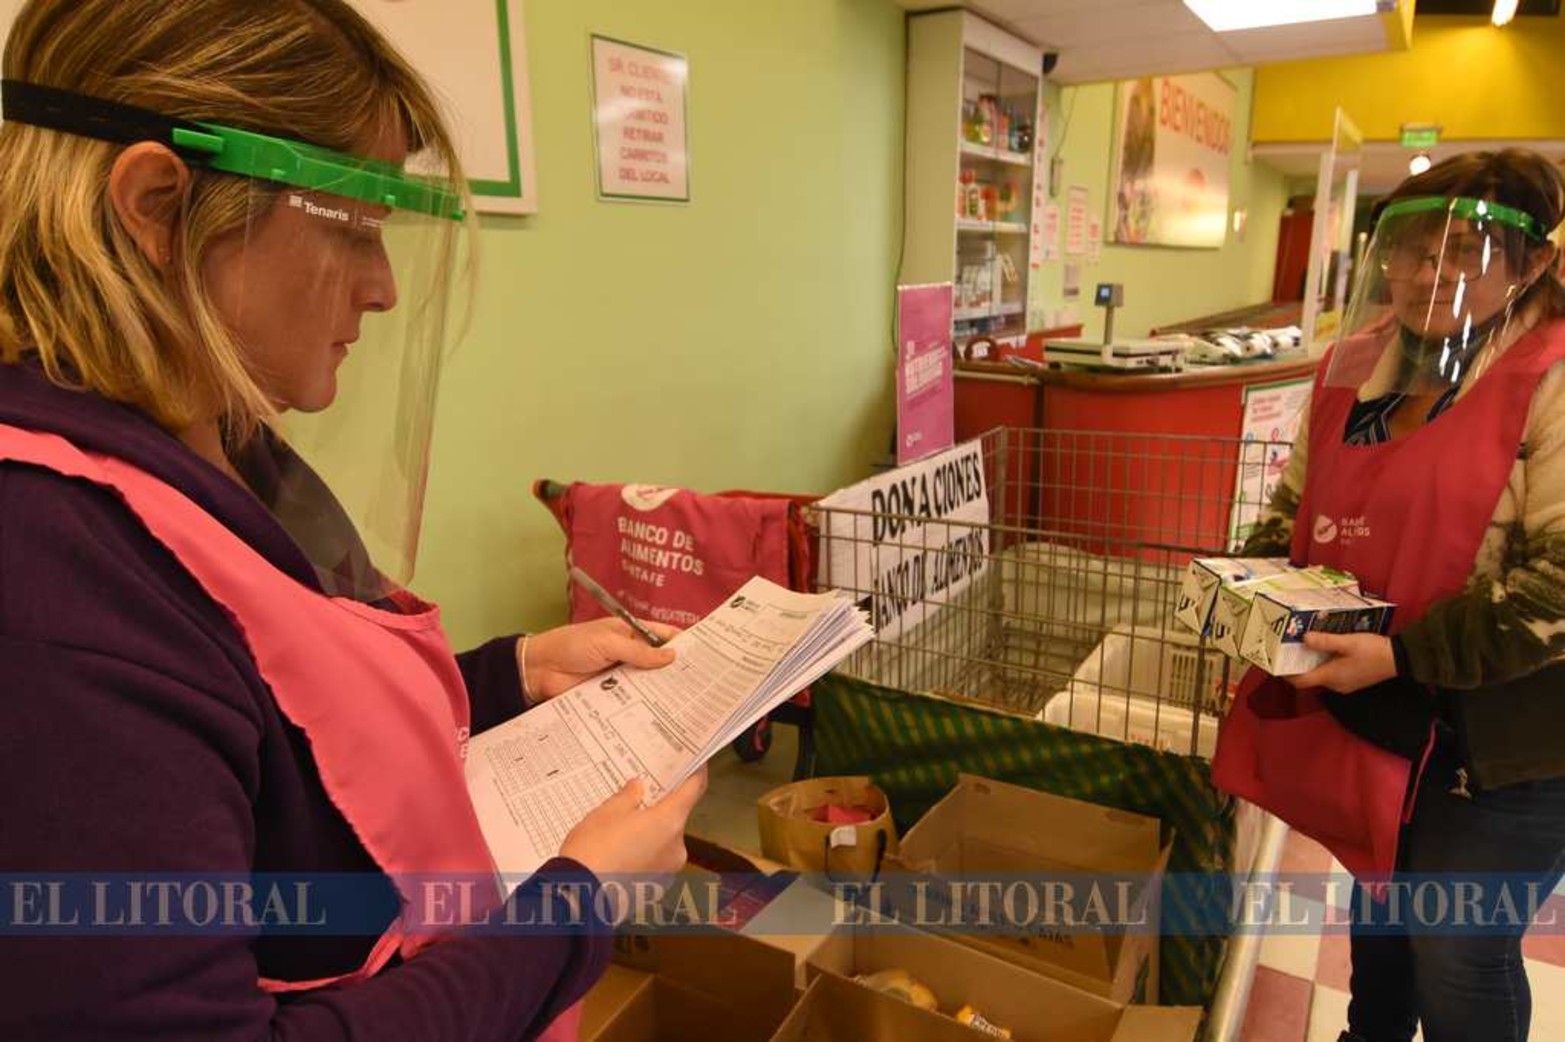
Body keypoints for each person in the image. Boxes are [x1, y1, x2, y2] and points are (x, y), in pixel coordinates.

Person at [0, 1, 705, 1039]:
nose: (380, 290)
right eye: (358, 230)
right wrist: (572, 910)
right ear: (157, 204)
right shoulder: (49, 582)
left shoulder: (191, 437)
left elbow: (255, 743)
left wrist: (503, 677)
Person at [1213, 149, 1565, 1042]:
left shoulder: (1551, 375)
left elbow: (1557, 582)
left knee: (1456, 945)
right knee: (1378, 908)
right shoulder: (1360, 368)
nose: (1424, 274)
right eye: (1409, 248)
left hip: (1505, 740)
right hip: (1381, 720)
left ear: (1532, 264)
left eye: (1461, 252)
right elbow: (1295, 505)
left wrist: (1404, 654)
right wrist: (1254, 591)